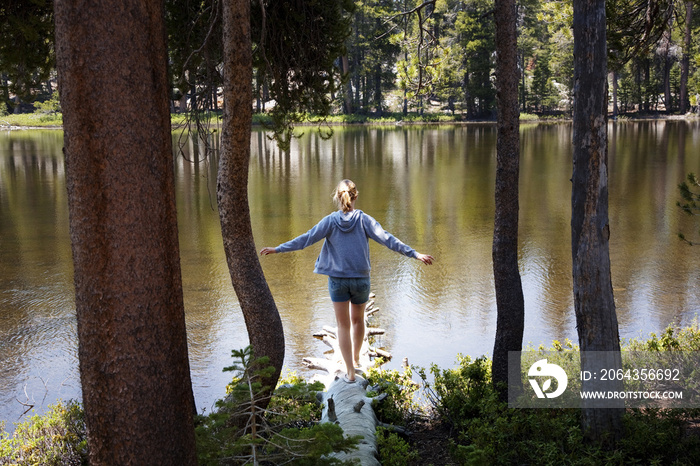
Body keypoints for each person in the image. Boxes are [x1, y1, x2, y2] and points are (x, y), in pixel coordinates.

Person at [260, 179, 433, 383]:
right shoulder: (364, 220)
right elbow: (387, 239)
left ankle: (350, 372)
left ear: (337, 197)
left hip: (338, 282)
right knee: (358, 320)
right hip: (361, 281)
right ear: (355, 196)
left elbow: (306, 239)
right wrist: (415, 254)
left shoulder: (330, 221)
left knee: (343, 325)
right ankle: (358, 360)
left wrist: (278, 248)